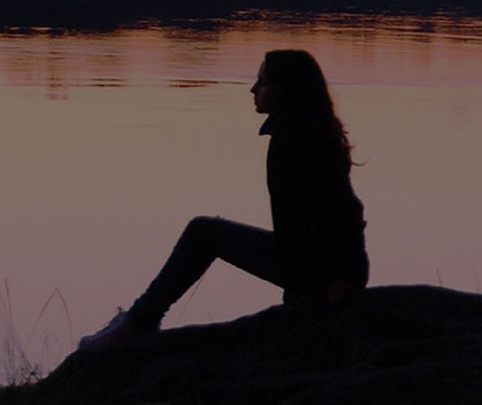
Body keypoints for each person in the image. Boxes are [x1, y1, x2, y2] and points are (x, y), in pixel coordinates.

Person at [78, 50, 369, 351]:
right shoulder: (297, 130)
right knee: (205, 232)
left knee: (202, 232)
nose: (253, 90)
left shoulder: (301, 138)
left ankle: (139, 324)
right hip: (304, 261)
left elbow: (345, 209)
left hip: (311, 267)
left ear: (284, 89)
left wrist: (346, 277)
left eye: (262, 82)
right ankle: (140, 321)